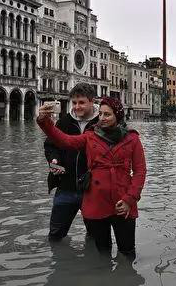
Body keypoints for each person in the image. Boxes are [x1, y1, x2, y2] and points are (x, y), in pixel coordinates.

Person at [38, 96, 146, 257]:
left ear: (118, 115)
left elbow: (140, 171)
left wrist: (130, 199)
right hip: (96, 201)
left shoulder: (132, 138)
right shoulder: (90, 136)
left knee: (127, 251)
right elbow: (65, 141)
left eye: (107, 114)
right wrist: (44, 121)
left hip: (123, 202)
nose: (102, 118)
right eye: (101, 114)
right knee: (103, 251)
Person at [44, 83, 99, 242]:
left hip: (92, 189)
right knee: (55, 235)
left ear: (91, 101)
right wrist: (54, 160)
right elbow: (50, 145)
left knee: (95, 237)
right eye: (74, 103)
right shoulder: (64, 122)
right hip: (65, 186)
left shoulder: (102, 122)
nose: (76, 107)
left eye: (81, 102)